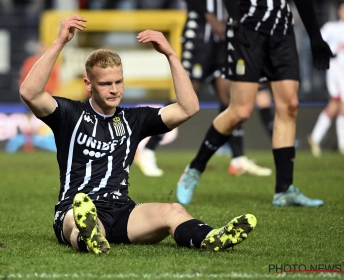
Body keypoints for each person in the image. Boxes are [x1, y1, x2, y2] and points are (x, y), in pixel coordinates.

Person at [19, 14, 257, 254]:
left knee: (173, 210)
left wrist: (171, 55)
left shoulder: (133, 119)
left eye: (119, 82)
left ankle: (211, 237)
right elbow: (30, 92)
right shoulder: (69, 114)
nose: (114, 90)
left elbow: (188, 108)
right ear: (88, 85)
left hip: (122, 210)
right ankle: (90, 236)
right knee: (76, 221)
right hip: (74, 207)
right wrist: (59, 43)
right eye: (105, 84)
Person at [176, 0, 334, 207]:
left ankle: (284, 189)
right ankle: (195, 168)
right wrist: (237, 20)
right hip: (247, 29)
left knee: (290, 106)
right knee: (240, 111)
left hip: (281, 31)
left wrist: (315, 36)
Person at [135, 0, 273, 178]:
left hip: (222, 39)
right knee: (186, 97)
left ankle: (238, 158)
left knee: (228, 98)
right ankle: (148, 150)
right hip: (200, 37)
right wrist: (210, 18)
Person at [308, 1, 344, 158]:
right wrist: (331, 52)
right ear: (339, 11)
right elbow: (318, 40)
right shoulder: (331, 28)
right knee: (341, 104)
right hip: (337, 69)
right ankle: (343, 145)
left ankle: (315, 137)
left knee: (335, 104)